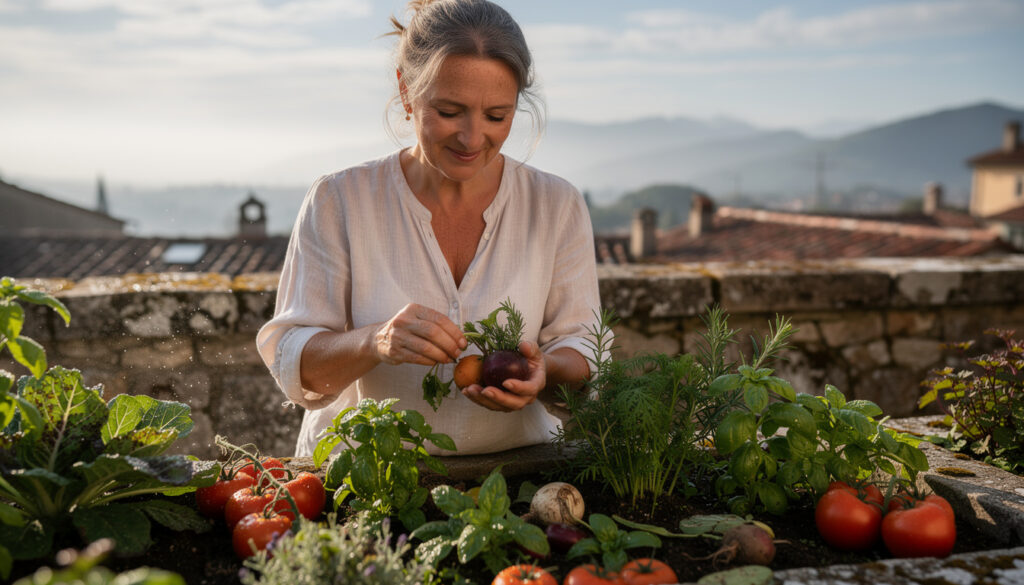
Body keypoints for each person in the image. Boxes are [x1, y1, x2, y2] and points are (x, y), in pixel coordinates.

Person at [256, 0, 602, 458]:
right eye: (450, 110)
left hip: (522, 478)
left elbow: (584, 344)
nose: (472, 138)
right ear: (406, 92)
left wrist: (546, 369)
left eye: (496, 116)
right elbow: (298, 367)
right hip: (366, 478)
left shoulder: (556, 204)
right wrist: (375, 341)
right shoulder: (340, 199)